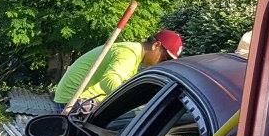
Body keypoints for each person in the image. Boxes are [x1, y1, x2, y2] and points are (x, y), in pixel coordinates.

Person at [53, 29, 184, 112]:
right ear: (156, 45)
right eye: (165, 57)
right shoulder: (129, 53)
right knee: (132, 118)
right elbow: (109, 80)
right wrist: (133, 101)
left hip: (76, 98)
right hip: (74, 102)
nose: (163, 62)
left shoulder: (134, 54)